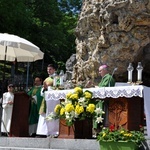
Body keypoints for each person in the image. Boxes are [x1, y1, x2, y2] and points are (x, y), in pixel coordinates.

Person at [93, 64, 115, 136]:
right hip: (100, 100)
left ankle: (102, 130)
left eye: (100, 71)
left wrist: (97, 87)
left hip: (105, 101)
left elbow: (104, 88)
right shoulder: (104, 78)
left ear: (105, 70)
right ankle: (98, 131)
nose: (99, 73)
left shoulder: (108, 77)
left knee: (103, 117)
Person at [36, 64, 57, 137]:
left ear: (54, 70)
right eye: (48, 69)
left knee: (51, 114)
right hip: (46, 100)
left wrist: (48, 88)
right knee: (44, 114)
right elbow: (42, 92)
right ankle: (42, 132)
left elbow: (58, 89)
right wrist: (44, 89)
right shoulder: (46, 79)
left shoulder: (57, 78)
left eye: (50, 69)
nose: (48, 71)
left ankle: (52, 131)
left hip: (54, 101)